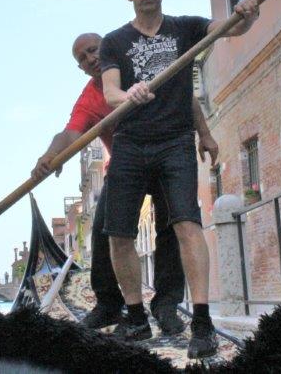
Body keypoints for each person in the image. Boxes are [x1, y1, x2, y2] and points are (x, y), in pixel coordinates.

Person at [99, 0, 259, 358]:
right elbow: (110, 92)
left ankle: (201, 322)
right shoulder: (115, 41)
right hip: (132, 142)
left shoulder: (186, 29)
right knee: (119, 233)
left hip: (174, 142)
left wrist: (246, 16)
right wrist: (129, 94)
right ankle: (136, 318)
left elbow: (228, 30)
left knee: (188, 224)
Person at [31, 32, 219, 335]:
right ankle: (109, 305)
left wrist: (206, 135)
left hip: (165, 156)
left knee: (171, 227)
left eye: (93, 51)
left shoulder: (142, 66)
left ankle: (166, 305)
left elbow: (184, 96)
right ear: (80, 68)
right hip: (125, 166)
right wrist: (51, 155)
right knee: (106, 227)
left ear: (107, 48)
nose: (90, 59)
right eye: (82, 58)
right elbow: (70, 134)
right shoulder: (90, 97)